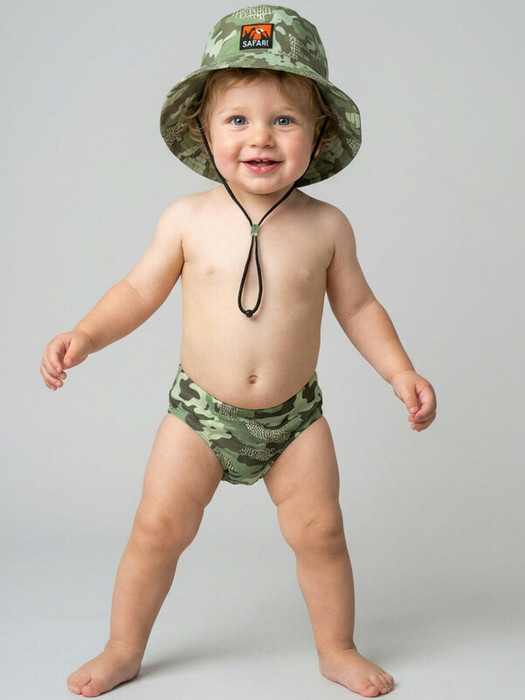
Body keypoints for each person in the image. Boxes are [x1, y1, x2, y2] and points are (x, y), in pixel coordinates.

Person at [40, 6, 436, 698]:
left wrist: (399, 370)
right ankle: (123, 647)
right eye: (238, 119)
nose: (260, 137)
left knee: (321, 533)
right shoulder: (187, 219)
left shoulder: (327, 226)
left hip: (294, 419)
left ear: (319, 133)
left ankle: (338, 648)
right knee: (156, 529)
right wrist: (86, 334)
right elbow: (137, 290)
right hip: (199, 415)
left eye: (284, 119)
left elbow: (358, 308)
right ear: (204, 129)